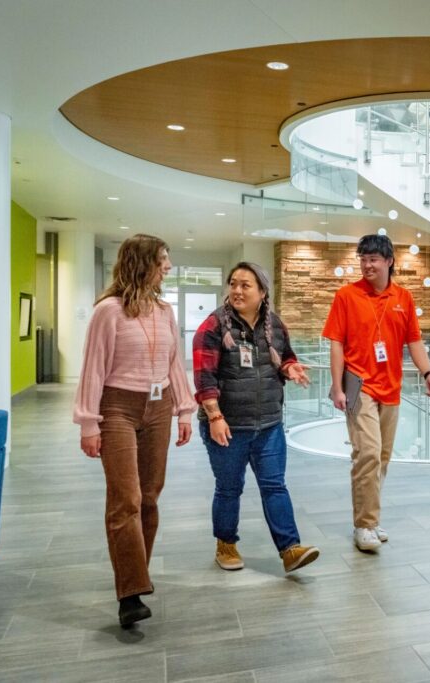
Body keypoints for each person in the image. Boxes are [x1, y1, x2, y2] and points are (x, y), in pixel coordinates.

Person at [73, 234, 197, 628]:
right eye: (163, 259)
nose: (168, 267)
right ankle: (129, 593)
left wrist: (185, 410)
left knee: (150, 497)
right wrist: (88, 422)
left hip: (159, 408)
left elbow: (174, 363)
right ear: (143, 262)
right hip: (117, 408)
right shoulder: (108, 311)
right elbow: (93, 368)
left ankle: (136, 575)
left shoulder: (164, 310)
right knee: (125, 498)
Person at [192, 262, 320, 573]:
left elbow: (284, 355)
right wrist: (215, 417)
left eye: (245, 285)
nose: (237, 290)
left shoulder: (275, 324)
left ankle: (290, 549)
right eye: (233, 283)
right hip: (229, 425)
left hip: (269, 424)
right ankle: (226, 544)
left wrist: (291, 367)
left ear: (262, 292)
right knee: (229, 488)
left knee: (275, 485)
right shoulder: (213, 326)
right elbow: (204, 377)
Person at [322, 234, 430, 552]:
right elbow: (335, 342)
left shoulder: (404, 297)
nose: (366, 264)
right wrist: (336, 386)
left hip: (391, 386)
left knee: (382, 458)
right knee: (369, 453)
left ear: (389, 261)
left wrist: (428, 372)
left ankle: (370, 519)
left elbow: (413, 341)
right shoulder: (346, 295)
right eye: (362, 258)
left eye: (373, 258)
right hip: (358, 385)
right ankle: (364, 525)